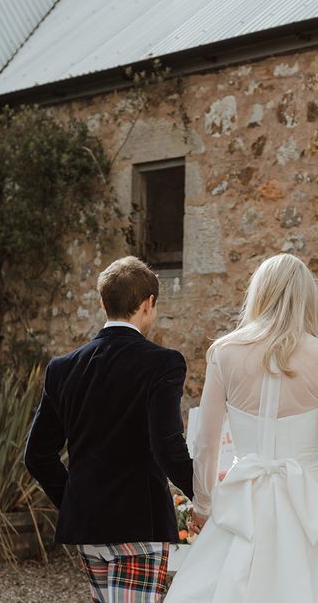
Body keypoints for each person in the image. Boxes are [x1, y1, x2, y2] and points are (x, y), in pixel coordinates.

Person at [165, 254, 318, 602]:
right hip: (310, 501)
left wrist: (203, 505)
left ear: (259, 294)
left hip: (242, 499)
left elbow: (207, 441)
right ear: (308, 298)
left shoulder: (225, 352)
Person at [24, 256, 193, 603]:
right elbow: (167, 445)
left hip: (88, 525)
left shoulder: (63, 368)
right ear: (148, 304)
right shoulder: (163, 364)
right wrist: (203, 495)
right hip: (138, 525)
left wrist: (74, 498)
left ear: (103, 303)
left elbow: (37, 455)